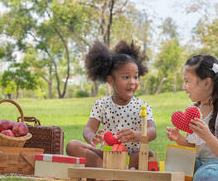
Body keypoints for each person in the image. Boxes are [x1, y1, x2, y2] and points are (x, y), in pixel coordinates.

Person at [66, 40, 156, 168]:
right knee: (72, 145)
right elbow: (89, 129)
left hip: (131, 156)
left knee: (148, 154)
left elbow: (153, 131)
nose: (132, 82)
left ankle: (112, 171)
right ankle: (106, 169)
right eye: (126, 77)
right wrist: (93, 137)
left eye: (135, 77)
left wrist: (138, 135)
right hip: (107, 154)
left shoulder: (142, 106)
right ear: (110, 80)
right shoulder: (101, 104)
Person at [166, 54, 218, 181]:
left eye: (187, 81)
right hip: (204, 163)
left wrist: (207, 136)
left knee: (203, 177)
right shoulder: (192, 110)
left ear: (207, 83)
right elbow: (191, 146)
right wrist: (179, 138)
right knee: (176, 163)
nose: (183, 87)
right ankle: (204, 177)